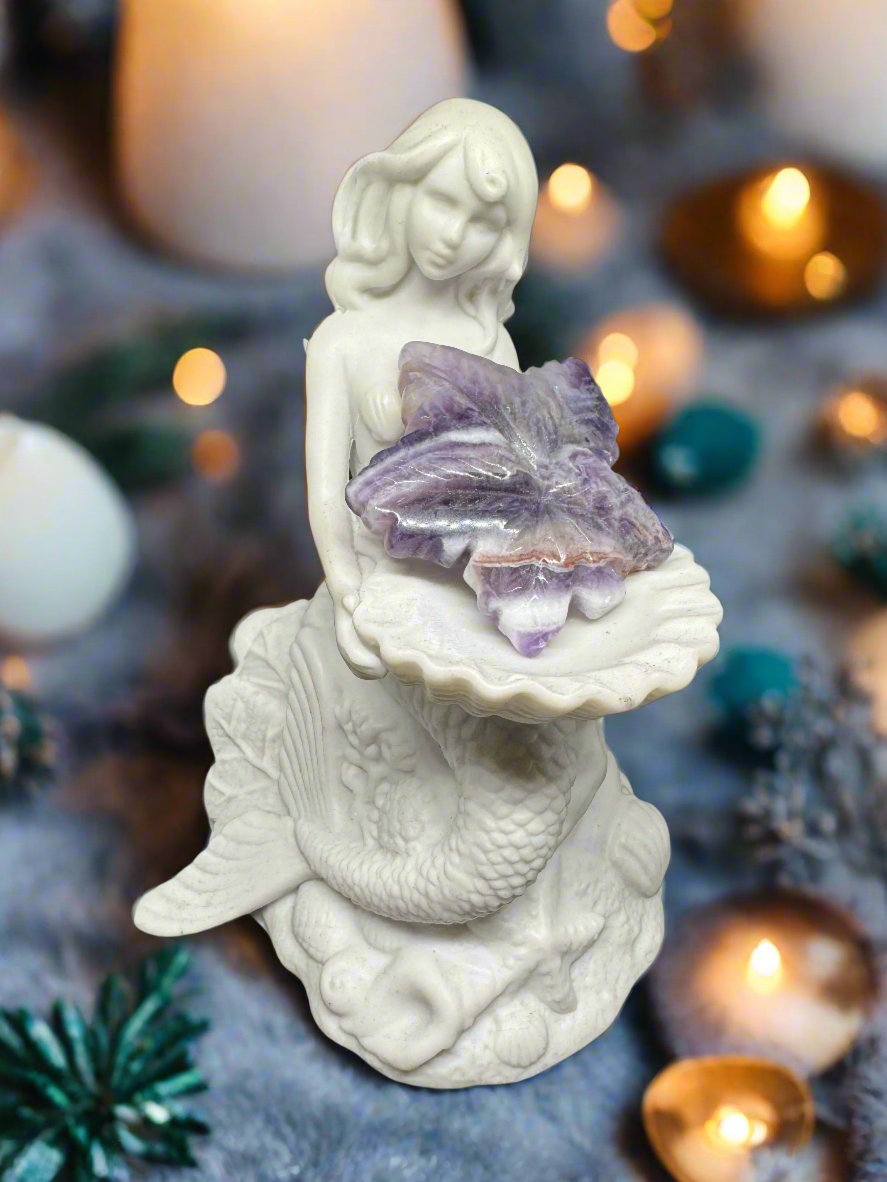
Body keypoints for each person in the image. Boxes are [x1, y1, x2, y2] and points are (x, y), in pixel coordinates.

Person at [305, 98, 538, 676]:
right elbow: (327, 495)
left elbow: (517, 492)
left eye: (482, 222)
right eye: (441, 201)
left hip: (478, 595)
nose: (453, 236)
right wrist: (346, 589)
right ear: (400, 190)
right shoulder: (345, 340)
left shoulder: (491, 345)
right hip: (378, 578)